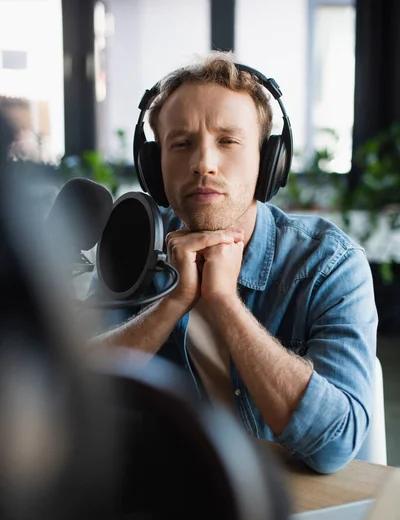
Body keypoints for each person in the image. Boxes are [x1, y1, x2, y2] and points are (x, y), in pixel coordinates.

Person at [89, 52, 378, 474]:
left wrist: (224, 303)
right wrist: (172, 303)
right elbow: (70, 398)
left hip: (287, 506)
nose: (203, 163)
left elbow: (335, 445)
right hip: (162, 501)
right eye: (181, 143)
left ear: (268, 162)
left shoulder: (329, 264)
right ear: (153, 169)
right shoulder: (131, 247)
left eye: (228, 140)